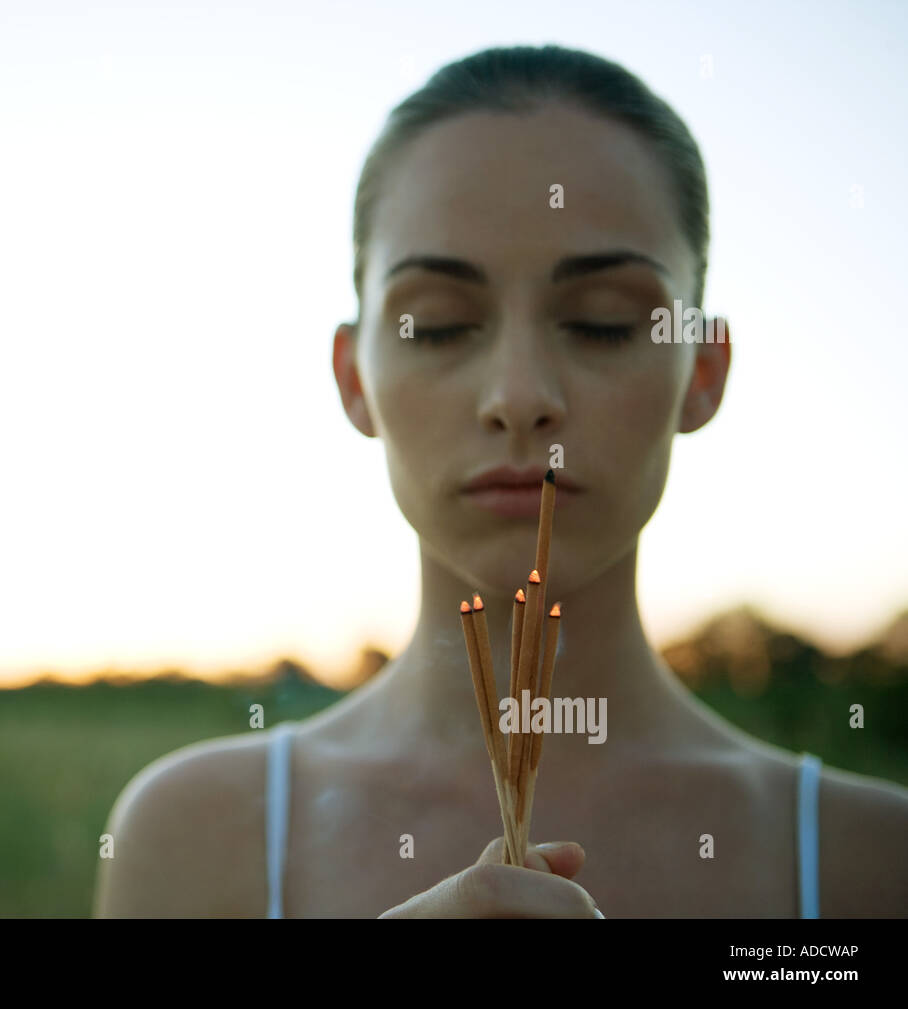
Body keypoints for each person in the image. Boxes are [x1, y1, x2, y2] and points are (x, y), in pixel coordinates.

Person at [93, 44, 908, 918]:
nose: (520, 398)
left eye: (602, 324)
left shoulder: (872, 862)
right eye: (439, 326)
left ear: (702, 369)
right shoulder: (194, 839)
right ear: (353, 377)